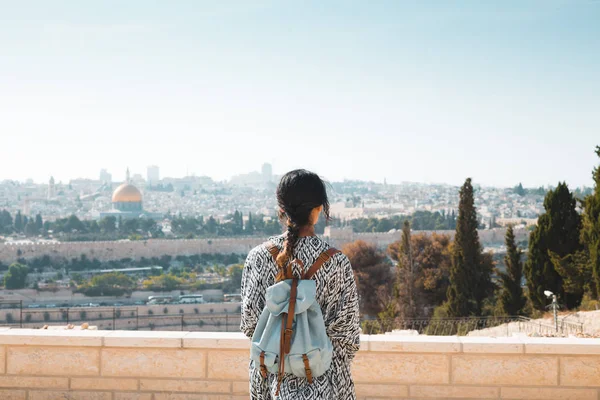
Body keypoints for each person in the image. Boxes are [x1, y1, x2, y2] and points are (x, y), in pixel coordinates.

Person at [240, 169, 361, 399]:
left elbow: (250, 324)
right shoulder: (336, 262)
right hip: (326, 384)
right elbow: (347, 335)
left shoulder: (257, 257)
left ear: (281, 209)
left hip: (272, 381)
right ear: (318, 210)